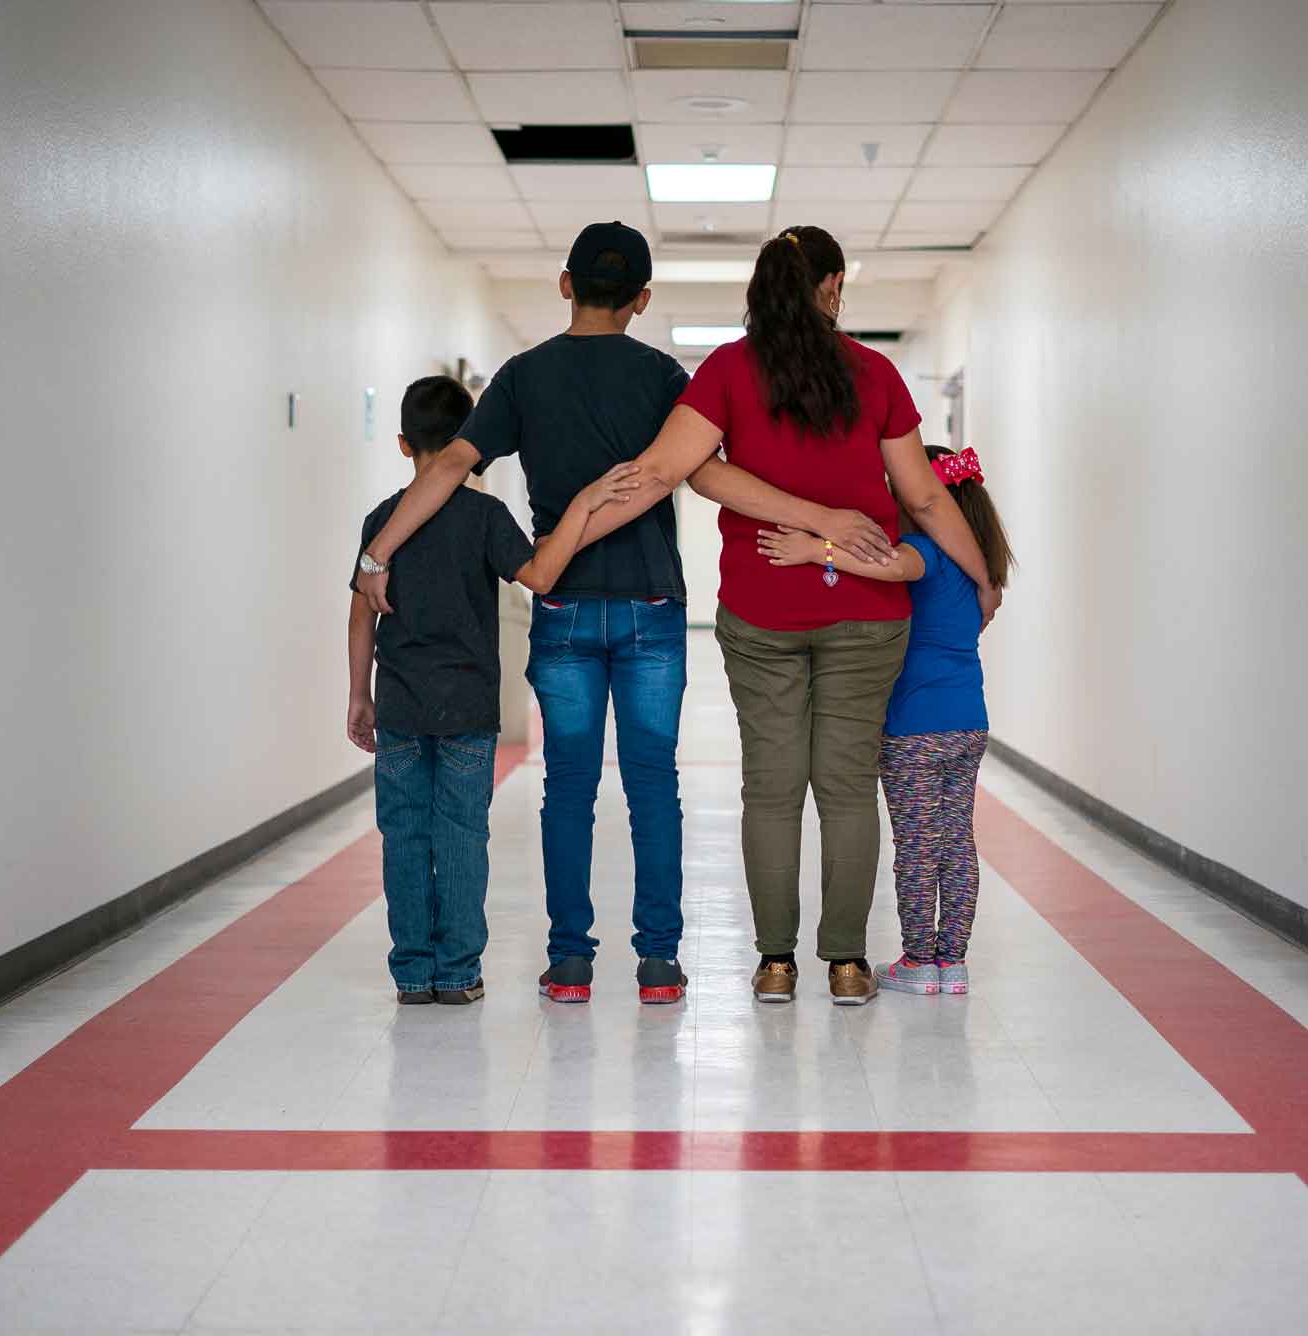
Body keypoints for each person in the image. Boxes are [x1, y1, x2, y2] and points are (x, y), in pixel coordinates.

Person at [350, 223, 895, 1005]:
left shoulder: (522, 376)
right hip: (650, 609)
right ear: (643, 300)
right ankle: (659, 965)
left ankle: (571, 963)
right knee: (652, 787)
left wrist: (379, 553)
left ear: (565, 284)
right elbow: (706, 476)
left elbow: (451, 468)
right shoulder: (665, 378)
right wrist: (819, 518)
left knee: (567, 788)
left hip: (564, 604)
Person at [566, 225, 1003, 1006]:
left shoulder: (730, 371)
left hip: (763, 609)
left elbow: (672, 471)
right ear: (832, 288)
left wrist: (556, 550)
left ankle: (775, 963)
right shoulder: (874, 375)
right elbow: (927, 496)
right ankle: (846, 963)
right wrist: (983, 578)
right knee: (843, 789)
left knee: (769, 790)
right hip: (869, 612)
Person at [345, 375, 640, 1005]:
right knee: (460, 834)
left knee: (404, 835)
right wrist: (583, 505)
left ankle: (411, 973)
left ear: (404, 445)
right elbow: (540, 574)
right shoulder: (484, 517)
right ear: (473, 446)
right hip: (469, 707)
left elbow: (360, 613)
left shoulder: (380, 523)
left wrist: (358, 695)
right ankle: (456, 972)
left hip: (398, 701)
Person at [758, 445, 1015, 995]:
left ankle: (921, 959)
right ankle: (954, 962)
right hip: (968, 722)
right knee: (956, 842)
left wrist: (815, 550)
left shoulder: (927, 551)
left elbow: (889, 563)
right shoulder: (981, 570)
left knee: (918, 845)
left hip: (914, 728)